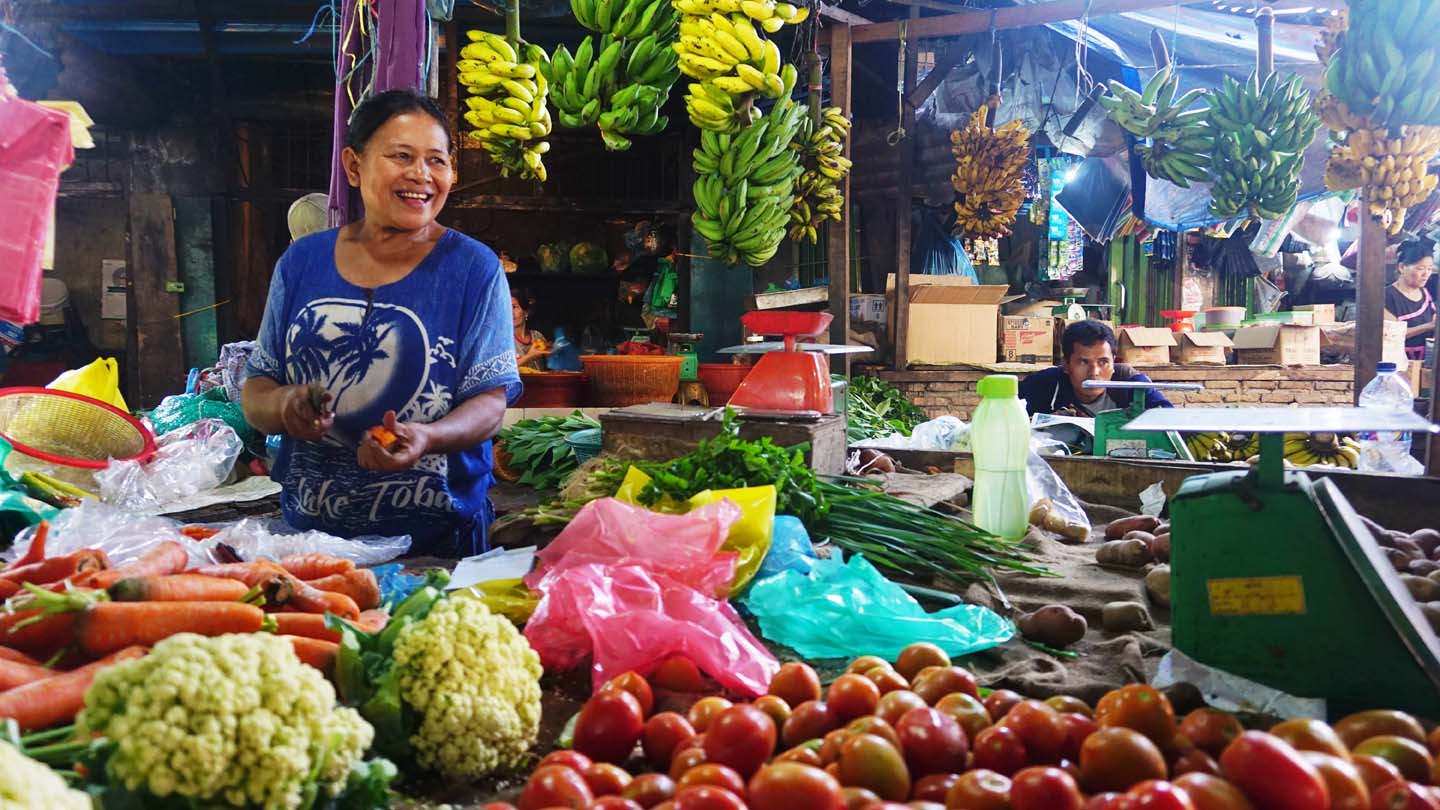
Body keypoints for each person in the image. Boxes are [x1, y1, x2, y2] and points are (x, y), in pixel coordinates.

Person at [241, 90, 521, 558]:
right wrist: (285, 405)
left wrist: (428, 437)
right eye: (401, 156)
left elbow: (490, 402)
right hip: (314, 544)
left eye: (437, 160)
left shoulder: (474, 268)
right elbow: (257, 389)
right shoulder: (301, 263)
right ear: (353, 166)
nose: (422, 175)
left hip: (437, 545)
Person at [1018, 320, 1173, 417]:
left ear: (1114, 361)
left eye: (1103, 362)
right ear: (1066, 365)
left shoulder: (1131, 382)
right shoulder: (1044, 384)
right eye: (1083, 362)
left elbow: (1167, 417)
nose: (1094, 372)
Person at [1385, 239, 1436, 360]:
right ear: (1402, 267)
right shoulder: (1388, 296)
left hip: (1424, 362)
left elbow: (1433, 319)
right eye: (1420, 268)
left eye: (1429, 269)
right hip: (1398, 363)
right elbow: (1391, 335)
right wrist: (1429, 326)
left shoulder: (1425, 293)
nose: (1426, 274)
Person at [511, 288, 548, 370]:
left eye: (514, 307)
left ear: (526, 312)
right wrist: (529, 356)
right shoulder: (503, 340)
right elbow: (502, 372)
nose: (510, 312)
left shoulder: (537, 336)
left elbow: (550, 364)